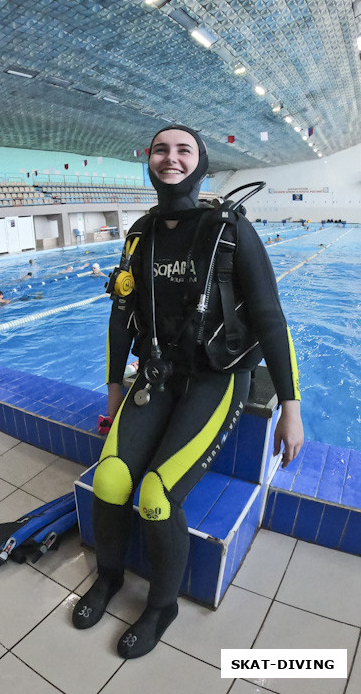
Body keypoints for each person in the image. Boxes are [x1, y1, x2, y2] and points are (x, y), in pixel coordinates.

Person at [72, 125, 303, 659]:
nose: (170, 158)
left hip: (216, 380)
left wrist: (291, 408)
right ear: (147, 160)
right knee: (109, 478)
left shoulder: (230, 230)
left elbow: (270, 318)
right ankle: (107, 579)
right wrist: (113, 389)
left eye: (183, 150)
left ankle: (161, 605)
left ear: (200, 164)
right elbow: (120, 319)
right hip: (157, 377)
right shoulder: (140, 235)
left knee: (155, 495)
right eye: (161, 149)